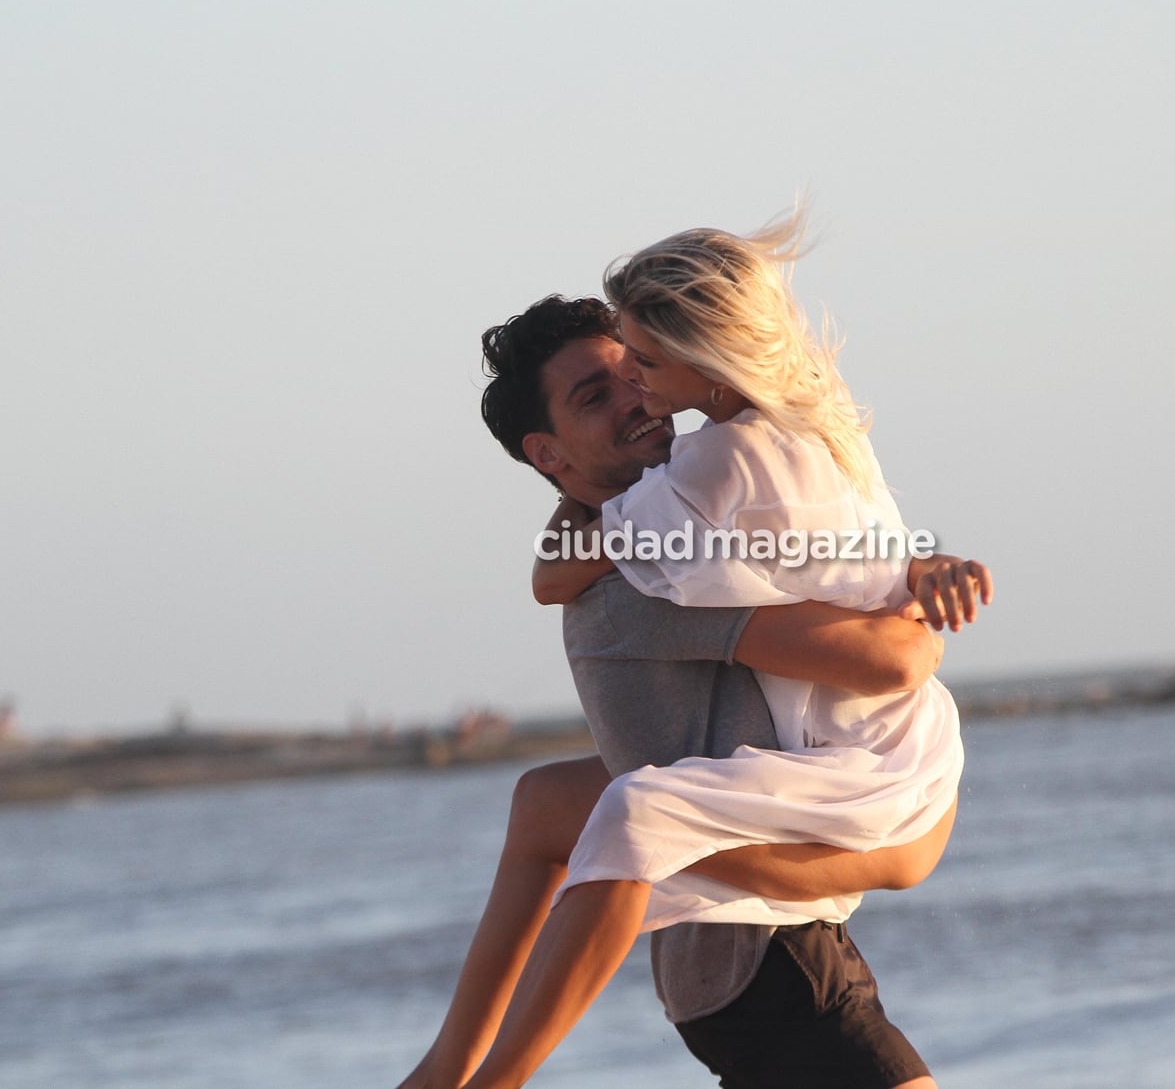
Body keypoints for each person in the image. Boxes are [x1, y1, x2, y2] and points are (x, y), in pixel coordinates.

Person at [396, 296, 963, 1089]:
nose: (632, 395)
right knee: (618, 812)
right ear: (547, 451)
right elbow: (895, 657)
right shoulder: (649, 582)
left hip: (734, 983)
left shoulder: (652, 528)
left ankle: (444, 1072)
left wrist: (910, 567)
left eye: (632, 371)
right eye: (595, 397)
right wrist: (908, 847)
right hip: (781, 975)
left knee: (545, 800)